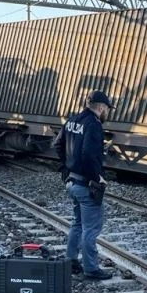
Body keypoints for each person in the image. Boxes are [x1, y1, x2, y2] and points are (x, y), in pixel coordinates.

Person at [53, 90, 114, 280]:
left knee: (77, 223)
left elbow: (57, 145)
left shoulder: (72, 119)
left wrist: (65, 167)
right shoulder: (94, 125)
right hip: (86, 184)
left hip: (71, 181)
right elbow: (88, 153)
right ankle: (91, 269)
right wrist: (96, 177)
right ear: (101, 107)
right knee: (91, 228)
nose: (107, 113)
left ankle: (71, 260)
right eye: (107, 109)